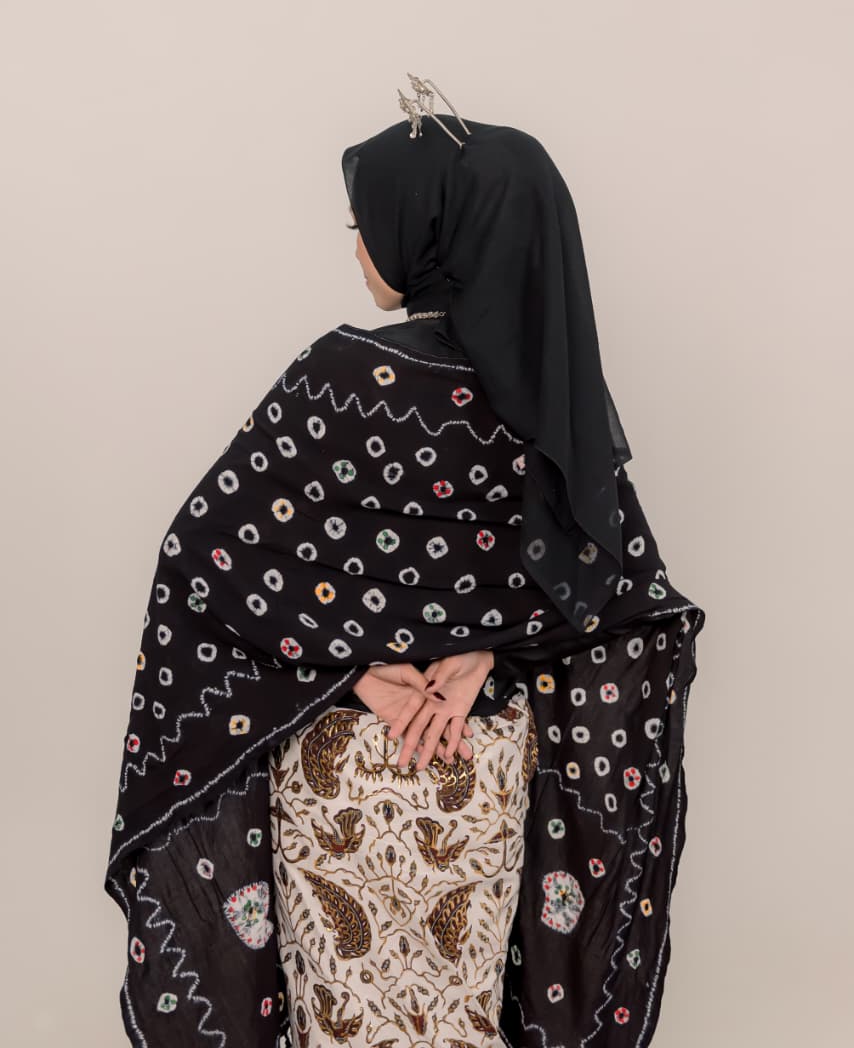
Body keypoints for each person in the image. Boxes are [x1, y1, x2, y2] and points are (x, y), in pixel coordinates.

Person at [104, 76, 706, 1047]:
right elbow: (614, 598)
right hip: (477, 774)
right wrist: (488, 651)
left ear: (431, 234)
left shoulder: (339, 379)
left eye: (366, 226)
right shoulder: (551, 409)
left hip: (335, 772)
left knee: (344, 1019)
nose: (358, 246)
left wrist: (351, 670)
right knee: (455, 1017)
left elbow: (206, 560)